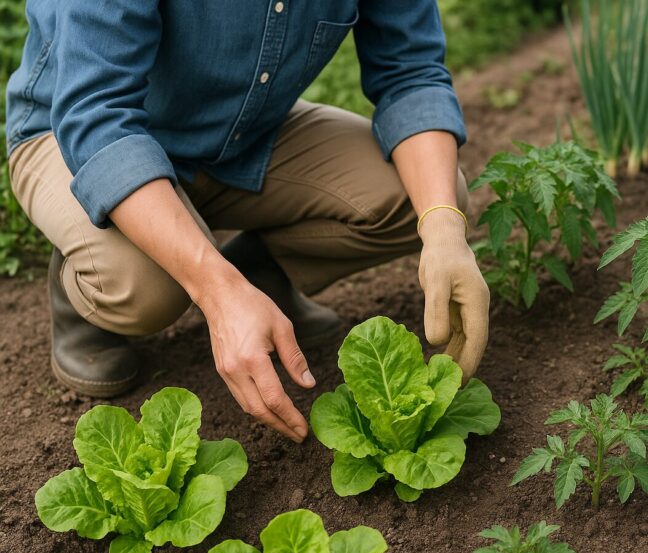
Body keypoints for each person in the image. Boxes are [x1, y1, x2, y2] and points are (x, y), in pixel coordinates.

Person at [5, 2, 490, 443]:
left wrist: (445, 227)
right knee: (147, 288)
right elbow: (96, 117)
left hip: (236, 133)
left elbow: (410, 73)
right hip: (75, 136)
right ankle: (83, 286)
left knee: (429, 198)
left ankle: (255, 275)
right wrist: (215, 291)